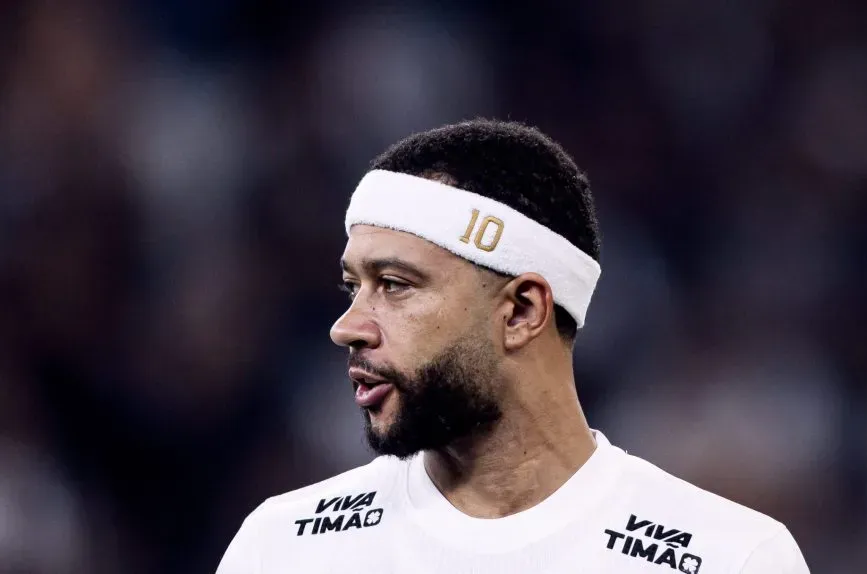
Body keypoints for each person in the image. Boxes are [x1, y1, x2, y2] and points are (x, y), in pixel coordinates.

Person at [215, 119, 811, 573]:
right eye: (354, 285)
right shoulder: (285, 548)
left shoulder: (730, 558)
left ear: (523, 311)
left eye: (394, 286)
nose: (349, 326)